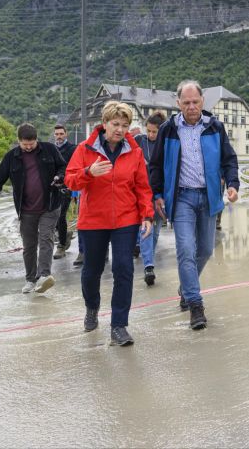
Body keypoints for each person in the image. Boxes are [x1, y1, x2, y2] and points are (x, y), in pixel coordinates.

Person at [149, 80, 239, 330]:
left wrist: (232, 184)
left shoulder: (214, 128)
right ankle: (195, 305)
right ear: (178, 104)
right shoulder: (168, 130)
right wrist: (157, 193)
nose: (191, 106)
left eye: (195, 102)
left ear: (202, 102)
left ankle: (185, 287)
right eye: (186, 102)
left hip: (208, 197)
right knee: (186, 249)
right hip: (182, 199)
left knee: (207, 250)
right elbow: (155, 165)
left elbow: (229, 159)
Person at [65, 101, 154, 346]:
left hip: (125, 219)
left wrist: (146, 215)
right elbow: (70, 181)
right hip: (93, 220)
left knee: (124, 268)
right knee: (92, 270)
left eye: (125, 125)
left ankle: (119, 326)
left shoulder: (134, 152)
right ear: (104, 124)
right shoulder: (85, 149)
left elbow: (142, 187)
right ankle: (92, 308)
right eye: (115, 124)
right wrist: (88, 173)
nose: (120, 130)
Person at [0, 123, 66, 294]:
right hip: (26, 209)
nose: (28, 147)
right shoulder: (11, 157)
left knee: (46, 238)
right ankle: (30, 279)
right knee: (29, 245)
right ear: (19, 141)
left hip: (50, 205)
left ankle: (44, 276)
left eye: (32, 144)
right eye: (24, 144)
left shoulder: (49, 149)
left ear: (37, 139)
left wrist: (60, 176)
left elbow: (63, 166)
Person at [133, 111, 166, 286]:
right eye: (149, 131)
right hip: (142, 193)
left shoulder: (167, 144)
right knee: (147, 227)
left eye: (155, 132)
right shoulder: (139, 141)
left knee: (156, 230)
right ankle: (149, 266)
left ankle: (148, 258)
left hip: (160, 193)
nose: (151, 135)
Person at [52, 124, 76, 259]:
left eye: (61, 134)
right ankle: (64, 234)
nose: (59, 136)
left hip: (66, 187)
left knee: (60, 216)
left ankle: (61, 246)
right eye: (57, 134)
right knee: (51, 216)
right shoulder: (51, 149)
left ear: (66, 134)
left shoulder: (72, 149)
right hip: (52, 187)